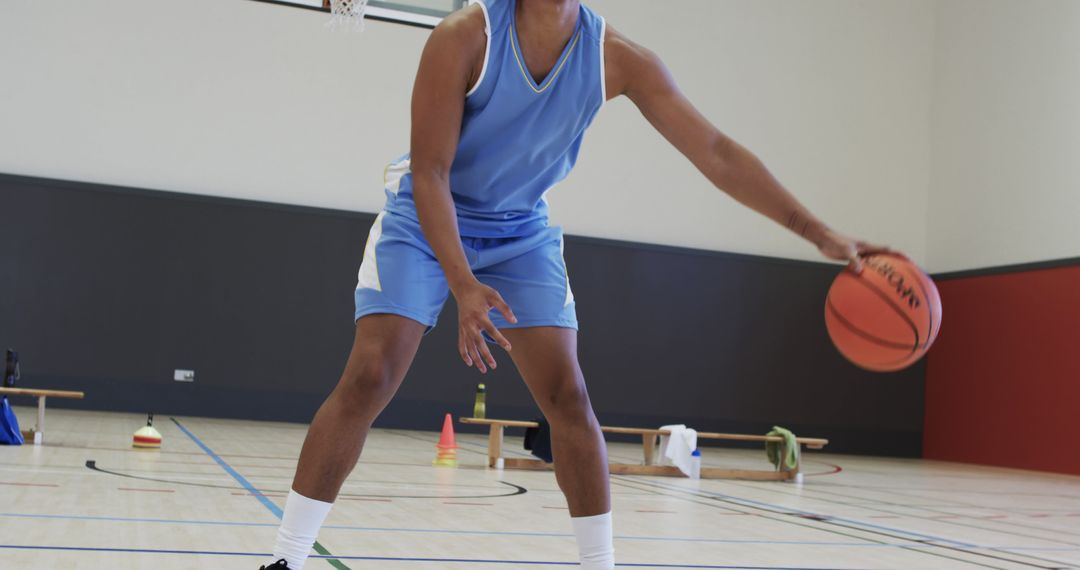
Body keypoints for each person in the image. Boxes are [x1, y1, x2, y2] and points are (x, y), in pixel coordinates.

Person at [262, 0, 884, 568]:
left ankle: (599, 565)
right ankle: (287, 557)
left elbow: (716, 152)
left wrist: (815, 231)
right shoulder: (464, 36)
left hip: (520, 232)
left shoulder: (618, 58)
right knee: (372, 374)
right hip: (427, 217)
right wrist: (463, 284)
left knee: (568, 395)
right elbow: (430, 171)